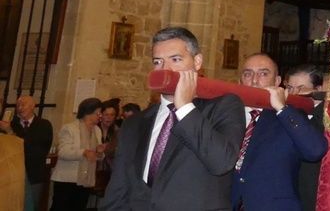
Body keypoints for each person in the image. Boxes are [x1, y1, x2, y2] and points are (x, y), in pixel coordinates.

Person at [100, 27, 246, 210]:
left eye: (175, 59)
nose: (165, 69)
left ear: (197, 62)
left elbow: (222, 162)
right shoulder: (135, 123)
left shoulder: (223, 107)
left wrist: (184, 107)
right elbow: (118, 188)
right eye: (158, 62)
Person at [231, 54, 328, 210]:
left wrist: (282, 109)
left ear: (277, 82)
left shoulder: (289, 116)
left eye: (263, 74)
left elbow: (315, 150)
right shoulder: (226, 113)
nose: (254, 80)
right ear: (240, 80)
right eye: (248, 74)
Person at [285, 64, 327, 211]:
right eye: (290, 88)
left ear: (318, 90)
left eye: (301, 89)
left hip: (311, 195)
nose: (294, 94)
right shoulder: (284, 114)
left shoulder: (327, 118)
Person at [50, 97, 103, 211]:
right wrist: (83, 152)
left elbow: (95, 155)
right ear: (88, 113)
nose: (100, 116)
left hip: (86, 179)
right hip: (67, 179)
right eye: (98, 113)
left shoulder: (97, 130)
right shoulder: (70, 128)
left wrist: (100, 152)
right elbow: (63, 151)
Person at [0, 95, 54, 206]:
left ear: (33, 106)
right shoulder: (11, 124)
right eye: (18, 105)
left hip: (34, 176)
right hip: (13, 176)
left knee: (31, 205)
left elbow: (37, 150)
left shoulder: (44, 125)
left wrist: (10, 132)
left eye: (23, 104)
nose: (20, 108)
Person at [95, 98, 120, 198]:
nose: (109, 118)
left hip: (110, 171)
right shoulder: (94, 129)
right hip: (93, 169)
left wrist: (108, 148)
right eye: (106, 114)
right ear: (100, 115)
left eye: (112, 115)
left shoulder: (118, 131)